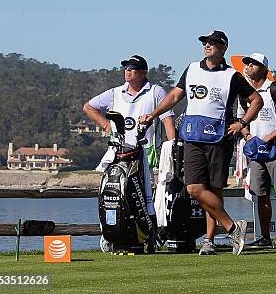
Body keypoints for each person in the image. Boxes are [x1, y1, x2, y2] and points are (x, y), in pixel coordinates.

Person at [140, 30, 263, 256]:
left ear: (223, 48)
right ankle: (233, 227)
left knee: (214, 191)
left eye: (213, 43)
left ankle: (209, 240)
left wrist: (242, 122)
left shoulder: (232, 76)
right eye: (206, 42)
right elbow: (175, 96)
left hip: (219, 138)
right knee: (194, 189)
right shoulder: (192, 69)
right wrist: (153, 114)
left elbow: (257, 100)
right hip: (192, 137)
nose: (208, 46)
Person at [83, 54, 176, 243]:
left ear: (143, 72)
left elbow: (168, 120)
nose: (128, 71)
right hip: (119, 153)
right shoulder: (115, 93)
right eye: (126, 67)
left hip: (147, 152)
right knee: (117, 193)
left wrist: (172, 147)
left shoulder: (155, 91)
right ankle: (115, 233)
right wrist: (105, 125)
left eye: (132, 68)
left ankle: (148, 234)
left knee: (147, 197)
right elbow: (89, 107)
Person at [238, 53, 276, 249]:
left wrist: (267, 138)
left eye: (253, 64)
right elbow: (241, 121)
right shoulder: (244, 92)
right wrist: (249, 138)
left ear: (264, 69)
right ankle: (264, 236)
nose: (248, 67)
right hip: (256, 150)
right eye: (247, 64)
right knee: (260, 194)